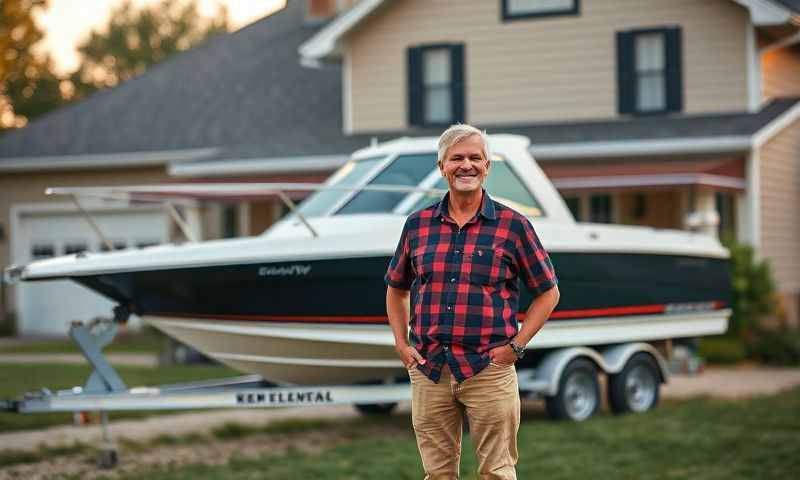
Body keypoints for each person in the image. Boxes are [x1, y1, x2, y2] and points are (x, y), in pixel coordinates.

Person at [385, 124, 560, 480]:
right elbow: (396, 288)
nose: (466, 165)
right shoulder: (417, 226)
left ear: (487, 166)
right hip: (429, 368)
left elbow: (548, 292)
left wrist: (516, 346)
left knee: (497, 472)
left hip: (489, 369)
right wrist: (402, 345)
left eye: (475, 158)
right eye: (457, 158)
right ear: (441, 167)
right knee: (438, 474)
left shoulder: (514, 226)